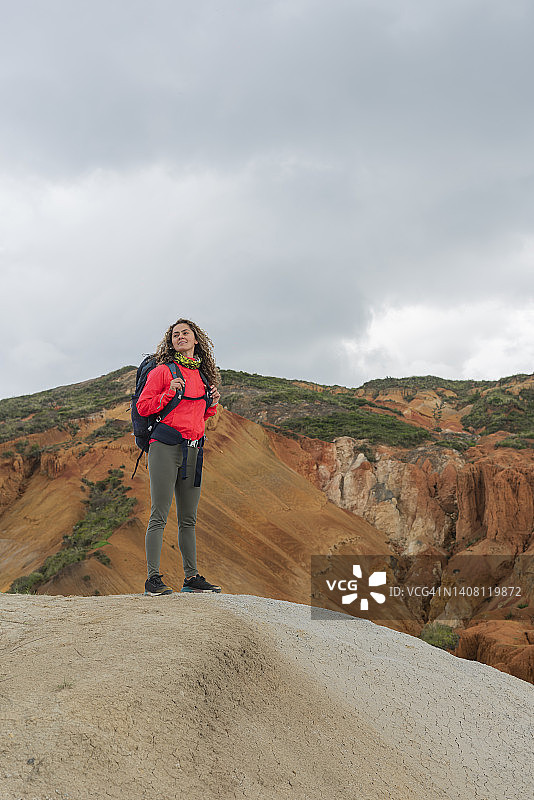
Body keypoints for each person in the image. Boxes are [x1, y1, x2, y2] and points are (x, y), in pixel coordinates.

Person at [136, 318, 221, 596]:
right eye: (175, 334)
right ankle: (152, 580)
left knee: (188, 518)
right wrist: (168, 392)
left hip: (194, 449)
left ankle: (191, 577)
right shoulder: (163, 371)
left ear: (197, 340)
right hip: (165, 446)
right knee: (159, 513)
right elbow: (144, 406)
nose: (180, 337)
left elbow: (199, 416)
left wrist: (212, 404)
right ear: (171, 342)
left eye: (186, 333)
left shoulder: (203, 377)